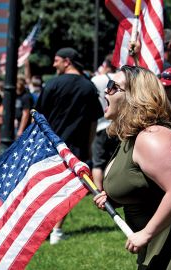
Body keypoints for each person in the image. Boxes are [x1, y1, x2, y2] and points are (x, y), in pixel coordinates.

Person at [93, 65, 171, 269]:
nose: (105, 91)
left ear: (134, 96)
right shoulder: (131, 138)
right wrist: (113, 198)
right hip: (162, 239)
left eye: (113, 86)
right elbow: (145, 186)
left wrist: (146, 234)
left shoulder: (151, 138)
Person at [35, 47, 103, 244]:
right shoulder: (88, 87)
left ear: (67, 61)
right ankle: (56, 230)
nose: (53, 64)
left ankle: (44, 230)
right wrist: (89, 146)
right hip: (76, 147)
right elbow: (93, 121)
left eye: (56, 60)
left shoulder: (52, 84)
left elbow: (38, 117)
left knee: (46, 189)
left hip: (49, 146)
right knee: (66, 190)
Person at [91, 54, 120, 190]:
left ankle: (99, 190)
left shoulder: (98, 79)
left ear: (106, 64)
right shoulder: (120, 78)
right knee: (114, 160)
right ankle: (112, 188)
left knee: (98, 162)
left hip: (101, 124)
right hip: (118, 124)